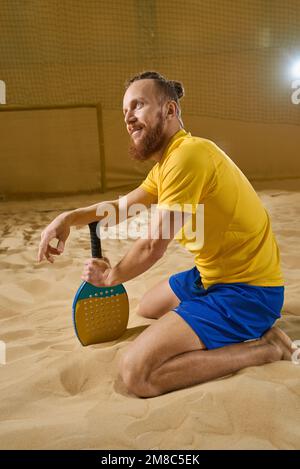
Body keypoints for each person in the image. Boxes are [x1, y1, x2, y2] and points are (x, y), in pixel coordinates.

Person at [38, 71, 296, 398]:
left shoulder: (188, 157)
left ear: (170, 111)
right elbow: (120, 207)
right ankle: (220, 322)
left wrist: (111, 277)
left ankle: (266, 348)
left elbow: (152, 247)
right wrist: (68, 217)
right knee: (148, 306)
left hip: (248, 292)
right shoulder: (168, 163)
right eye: (125, 112)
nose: (129, 118)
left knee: (137, 374)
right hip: (212, 276)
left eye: (138, 105)